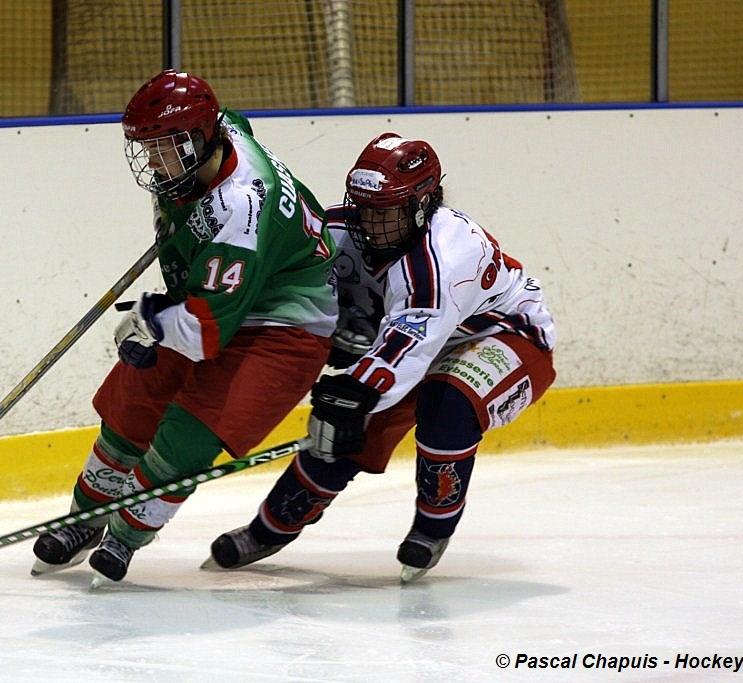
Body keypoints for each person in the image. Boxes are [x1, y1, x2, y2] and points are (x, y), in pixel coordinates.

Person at [204, 132, 557, 582]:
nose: (370, 222)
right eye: (364, 207)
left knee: (444, 402)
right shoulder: (338, 230)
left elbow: (412, 341)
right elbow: (280, 280)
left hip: (502, 336)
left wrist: (357, 388)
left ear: (423, 205)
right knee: (339, 432)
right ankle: (268, 530)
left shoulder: (445, 257)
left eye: (385, 211)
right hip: (411, 346)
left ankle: (432, 529)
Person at [30, 70, 338, 584]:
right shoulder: (217, 137)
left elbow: (204, 335)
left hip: (283, 328)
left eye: (165, 146)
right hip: (220, 295)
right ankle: (84, 520)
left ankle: (126, 536)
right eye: (146, 146)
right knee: (134, 401)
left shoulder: (239, 209)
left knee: (189, 432)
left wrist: (147, 317)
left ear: (200, 139)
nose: (152, 160)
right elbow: (237, 123)